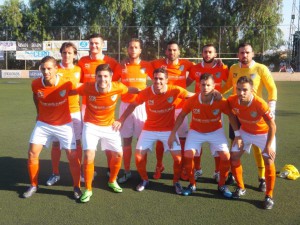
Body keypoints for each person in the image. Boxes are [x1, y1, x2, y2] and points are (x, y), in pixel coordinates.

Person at [114, 68, 194, 193]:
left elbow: (192, 95)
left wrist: (212, 93)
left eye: (161, 79)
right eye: (155, 78)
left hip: (168, 130)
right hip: (149, 129)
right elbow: (133, 105)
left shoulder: (175, 90)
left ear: (167, 80)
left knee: (178, 159)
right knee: (138, 157)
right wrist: (121, 119)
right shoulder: (146, 92)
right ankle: (144, 179)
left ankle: (176, 182)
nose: (158, 81)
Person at [168, 73, 241, 197]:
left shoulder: (220, 101)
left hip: (215, 131)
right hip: (196, 131)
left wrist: (238, 135)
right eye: (203, 85)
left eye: (208, 85)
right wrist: (173, 133)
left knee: (225, 157)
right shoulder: (192, 100)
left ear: (213, 86)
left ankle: (222, 185)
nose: (205, 87)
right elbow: (181, 116)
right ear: (199, 86)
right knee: (188, 155)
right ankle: (192, 184)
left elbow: (231, 116)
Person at [76, 64, 139, 203]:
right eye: (99, 76)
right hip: (91, 125)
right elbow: (72, 90)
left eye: (105, 76)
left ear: (111, 77)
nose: (102, 79)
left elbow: (130, 89)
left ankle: (112, 181)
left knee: (118, 154)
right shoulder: (87, 87)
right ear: (95, 77)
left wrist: (144, 92)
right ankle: (88, 189)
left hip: (109, 126)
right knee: (88, 155)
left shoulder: (118, 86)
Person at [23, 56, 81, 199]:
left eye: (49, 68)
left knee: (72, 156)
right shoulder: (36, 84)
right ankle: (33, 185)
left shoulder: (67, 82)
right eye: (43, 68)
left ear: (56, 69)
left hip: (64, 124)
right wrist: (38, 113)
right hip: (43, 124)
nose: (46, 71)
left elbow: (82, 91)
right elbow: (36, 96)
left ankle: (77, 187)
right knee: (32, 153)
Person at [222, 43, 277, 192]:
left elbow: (272, 88)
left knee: (258, 149)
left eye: (247, 52)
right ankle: (233, 175)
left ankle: (262, 177)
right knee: (235, 142)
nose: (244, 55)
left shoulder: (260, 68)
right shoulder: (233, 68)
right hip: (237, 111)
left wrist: (272, 108)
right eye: (241, 53)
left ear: (252, 54)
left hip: (256, 114)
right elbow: (227, 85)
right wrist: (216, 93)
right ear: (237, 55)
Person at [227, 76, 277, 210]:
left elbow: (272, 126)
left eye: (245, 90)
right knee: (234, 156)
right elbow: (231, 116)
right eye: (238, 89)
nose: (241, 93)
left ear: (252, 90)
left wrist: (267, 146)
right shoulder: (232, 100)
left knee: (268, 160)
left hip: (263, 134)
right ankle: (241, 187)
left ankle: (269, 195)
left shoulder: (260, 104)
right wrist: (237, 134)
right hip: (245, 132)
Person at [78, 33, 121, 179]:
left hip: (106, 107)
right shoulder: (82, 61)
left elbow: (118, 82)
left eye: (97, 43)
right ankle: (87, 170)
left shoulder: (112, 62)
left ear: (103, 45)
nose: (94, 46)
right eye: (91, 43)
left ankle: (111, 169)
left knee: (108, 142)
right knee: (87, 143)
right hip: (86, 107)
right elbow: (78, 83)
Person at [151, 40, 194, 180]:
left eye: (174, 50)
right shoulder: (157, 63)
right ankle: (159, 165)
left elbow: (200, 70)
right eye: (169, 50)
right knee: (160, 139)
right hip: (163, 109)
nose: (172, 52)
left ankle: (182, 168)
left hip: (181, 108)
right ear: (166, 51)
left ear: (179, 52)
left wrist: (218, 62)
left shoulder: (186, 64)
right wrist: (127, 59)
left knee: (182, 139)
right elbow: (140, 65)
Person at [112, 38, 154, 183]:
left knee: (142, 140)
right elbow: (113, 82)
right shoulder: (121, 66)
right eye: (131, 47)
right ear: (127, 50)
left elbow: (159, 80)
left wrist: (147, 91)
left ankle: (143, 172)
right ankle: (127, 171)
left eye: (136, 47)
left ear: (140, 50)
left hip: (141, 107)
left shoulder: (147, 65)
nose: (133, 50)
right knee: (127, 140)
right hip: (125, 105)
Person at [187, 44, 229, 182]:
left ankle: (217, 171)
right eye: (205, 52)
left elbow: (231, 82)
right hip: (198, 108)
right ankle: (198, 169)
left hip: (215, 108)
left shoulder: (222, 67)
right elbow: (186, 82)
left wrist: (221, 95)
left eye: (210, 52)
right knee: (196, 141)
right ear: (202, 53)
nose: (207, 54)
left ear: (215, 54)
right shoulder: (195, 68)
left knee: (215, 142)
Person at [46, 42, 83, 187]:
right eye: (64, 53)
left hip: (74, 111)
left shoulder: (79, 70)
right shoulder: (55, 69)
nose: (67, 55)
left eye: (70, 53)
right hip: (58, 112)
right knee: (56, 144)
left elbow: (84, 87)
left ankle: (79, 172)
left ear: (74, 55)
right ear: (60, 54)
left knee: (77, 143)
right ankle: (55, 173)